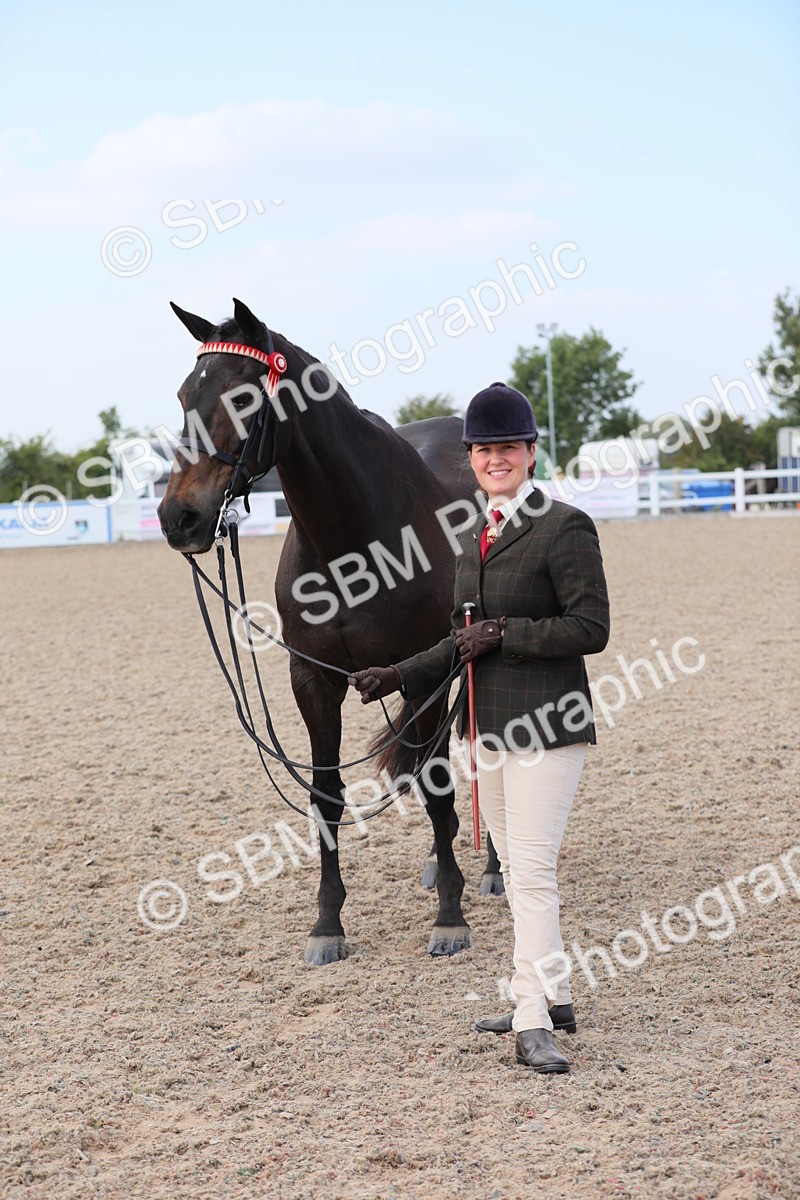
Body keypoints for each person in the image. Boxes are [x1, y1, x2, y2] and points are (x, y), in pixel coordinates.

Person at [349, 382, 610, 1074]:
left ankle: (531, 1018)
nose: (497, 459)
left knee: (531, 872)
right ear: (470, 458)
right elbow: (459, 638)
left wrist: (505, 633)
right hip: (484, 729)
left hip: (548, 726)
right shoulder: (474, 537)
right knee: (519, 868)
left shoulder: (566, 526)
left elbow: (591, 628)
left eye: (509, 447)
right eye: (484, 450)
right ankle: (553, 993)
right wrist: (396, 674)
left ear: (531, 452)